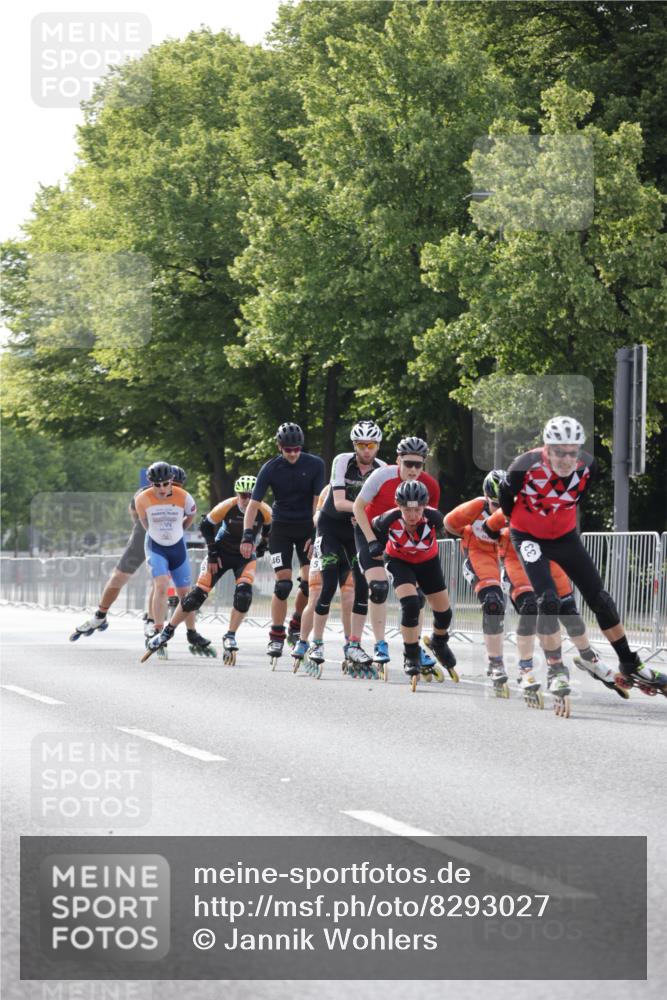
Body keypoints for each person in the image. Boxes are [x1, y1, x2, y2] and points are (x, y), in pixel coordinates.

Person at [498, 416, 667, 698]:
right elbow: (506, 499)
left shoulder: (589, 466)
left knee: (599, 598)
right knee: (549, 600)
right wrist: (524, 524)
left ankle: (629, 662)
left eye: (572, 452)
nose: (566, 459)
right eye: (559, 452)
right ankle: (555, 669)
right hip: (528, 536)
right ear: (547, 448)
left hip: (564, 536)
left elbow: (578, 496)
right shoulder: (523, 466)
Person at [144, 475, 271, 662]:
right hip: (220, 554)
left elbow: (269, 529)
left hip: (244, 557)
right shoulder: (227, 506)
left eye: (251, 496)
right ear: (237, 494)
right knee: (194, 598)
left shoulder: (264, 511)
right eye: (243, 495)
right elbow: (205, 525)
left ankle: (230, 635)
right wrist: (212, 553)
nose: (246, 500)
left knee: (244, 596)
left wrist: (261, 546)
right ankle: (167, 632)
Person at [292, 420, 384, 672]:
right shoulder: (342, 461)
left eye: (372, 445)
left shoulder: (382, 468)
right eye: (362, 445)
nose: (367, 450)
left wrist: (367, 517)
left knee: (360, 587)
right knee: (327, 585)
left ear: (378, 446)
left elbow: (384, 506)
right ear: (354, 445)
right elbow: (340, 500)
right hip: (331, 526)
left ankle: (354, 643)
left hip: (356, 530)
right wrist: (363, 510)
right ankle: (316, 642)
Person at [240, 423, 325, 663]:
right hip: (281, 529)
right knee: (283, 585)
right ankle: (276, 634)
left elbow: (318, 501)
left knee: (310, 584)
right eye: (288, 449)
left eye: (297, 449)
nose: (293, 454)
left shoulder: (315, 464)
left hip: (307, 526)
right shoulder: (270, 468)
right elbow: (253, 505)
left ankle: (297, 620)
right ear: (280, 447)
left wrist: (316, 533)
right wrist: (248, 535)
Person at [69, 462, 183, 642]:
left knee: (160, 582)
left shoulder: (181, 496)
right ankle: (100, 615)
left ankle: (151, 620)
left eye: (175, 485)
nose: (169, 488)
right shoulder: (143, 494)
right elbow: (133, 510)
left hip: (165, 543)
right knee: (118, 578)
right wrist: (140, 528)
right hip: (141, 539)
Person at [352, 436, 440, 666]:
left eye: (418, 465)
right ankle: (380, 643)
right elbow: (357, 507)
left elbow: (426, 522)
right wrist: (372, 541)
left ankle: (415, 645)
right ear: (398, 460)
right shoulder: (381, 476)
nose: (412, 470)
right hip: (372, 531)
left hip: (403, 537)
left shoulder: (429, 486)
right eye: (408, 463)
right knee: (379, 587)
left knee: (417, 597)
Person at [370, 480, 456, 685]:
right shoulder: (386, 519)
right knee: (411, 604)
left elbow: (454, 528)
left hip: (428, 562)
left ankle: (439, 641)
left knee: (445, 614)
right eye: (407, 510)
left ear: (425, 507)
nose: (412, 516)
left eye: (417, 510)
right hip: (399, 562)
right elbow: (371, 526)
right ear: (398, 507)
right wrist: (375, 546)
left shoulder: (435, 518)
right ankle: (411, 655)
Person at [135, 461, 212, 657]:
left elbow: (191, 516)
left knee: (186, 594)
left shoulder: (184, 497)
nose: (161, 488)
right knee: (161, 584)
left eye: (165, 484)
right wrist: (158, 535)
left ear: (171, 481)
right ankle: (158, 630)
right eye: (156, 485)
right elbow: (145, 522)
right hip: (156, 546)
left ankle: (192, 633)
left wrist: (179, 530)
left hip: (177, 547)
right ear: (151, 483)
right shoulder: (142, 499)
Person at [444, 470, 511, 692]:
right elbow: (449, 523)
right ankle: (495, 662)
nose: (498, 512)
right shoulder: (475, 507)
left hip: (507, 556)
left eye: (504, 506)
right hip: (479, 556)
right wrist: (466, 536)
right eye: (494, 505)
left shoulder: (518, 506)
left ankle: (531, 665)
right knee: (493, 604)